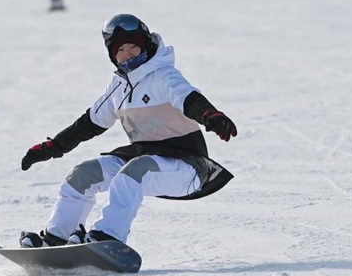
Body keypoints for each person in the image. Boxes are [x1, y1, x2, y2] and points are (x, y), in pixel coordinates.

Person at [18, 14, 236, 247]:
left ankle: (107, 237)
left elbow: (189, 98)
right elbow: (89, 124)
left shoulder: (164, 76)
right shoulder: (119, 87)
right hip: (143, 158)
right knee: (82, 174)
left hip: (186, 167)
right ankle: (56, 237)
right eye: (120, 49)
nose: (127, 53)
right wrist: (54, 147)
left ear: (145, 46)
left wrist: (210, 115)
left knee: (133, 172)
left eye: (133, 46)